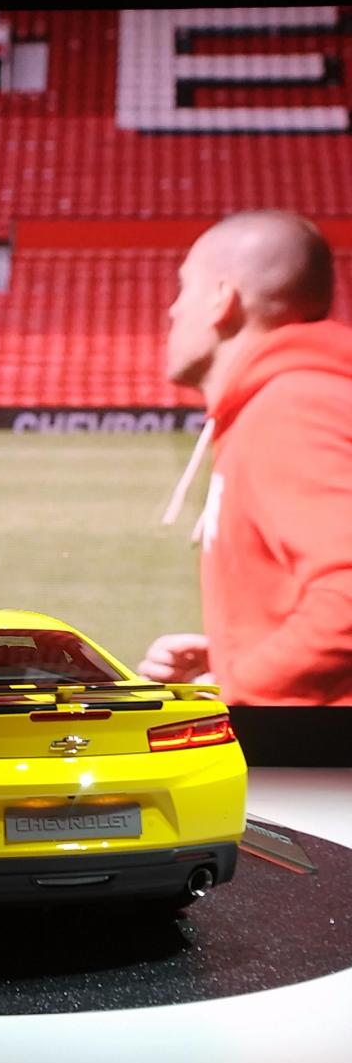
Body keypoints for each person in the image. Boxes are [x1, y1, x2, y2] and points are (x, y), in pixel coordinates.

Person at [138, 210, 352, 704]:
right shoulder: (290, 399)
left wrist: (240, 691)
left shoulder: (292, 408)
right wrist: (239, 656)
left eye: (183, 288)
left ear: (222, 299)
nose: (172, 309)